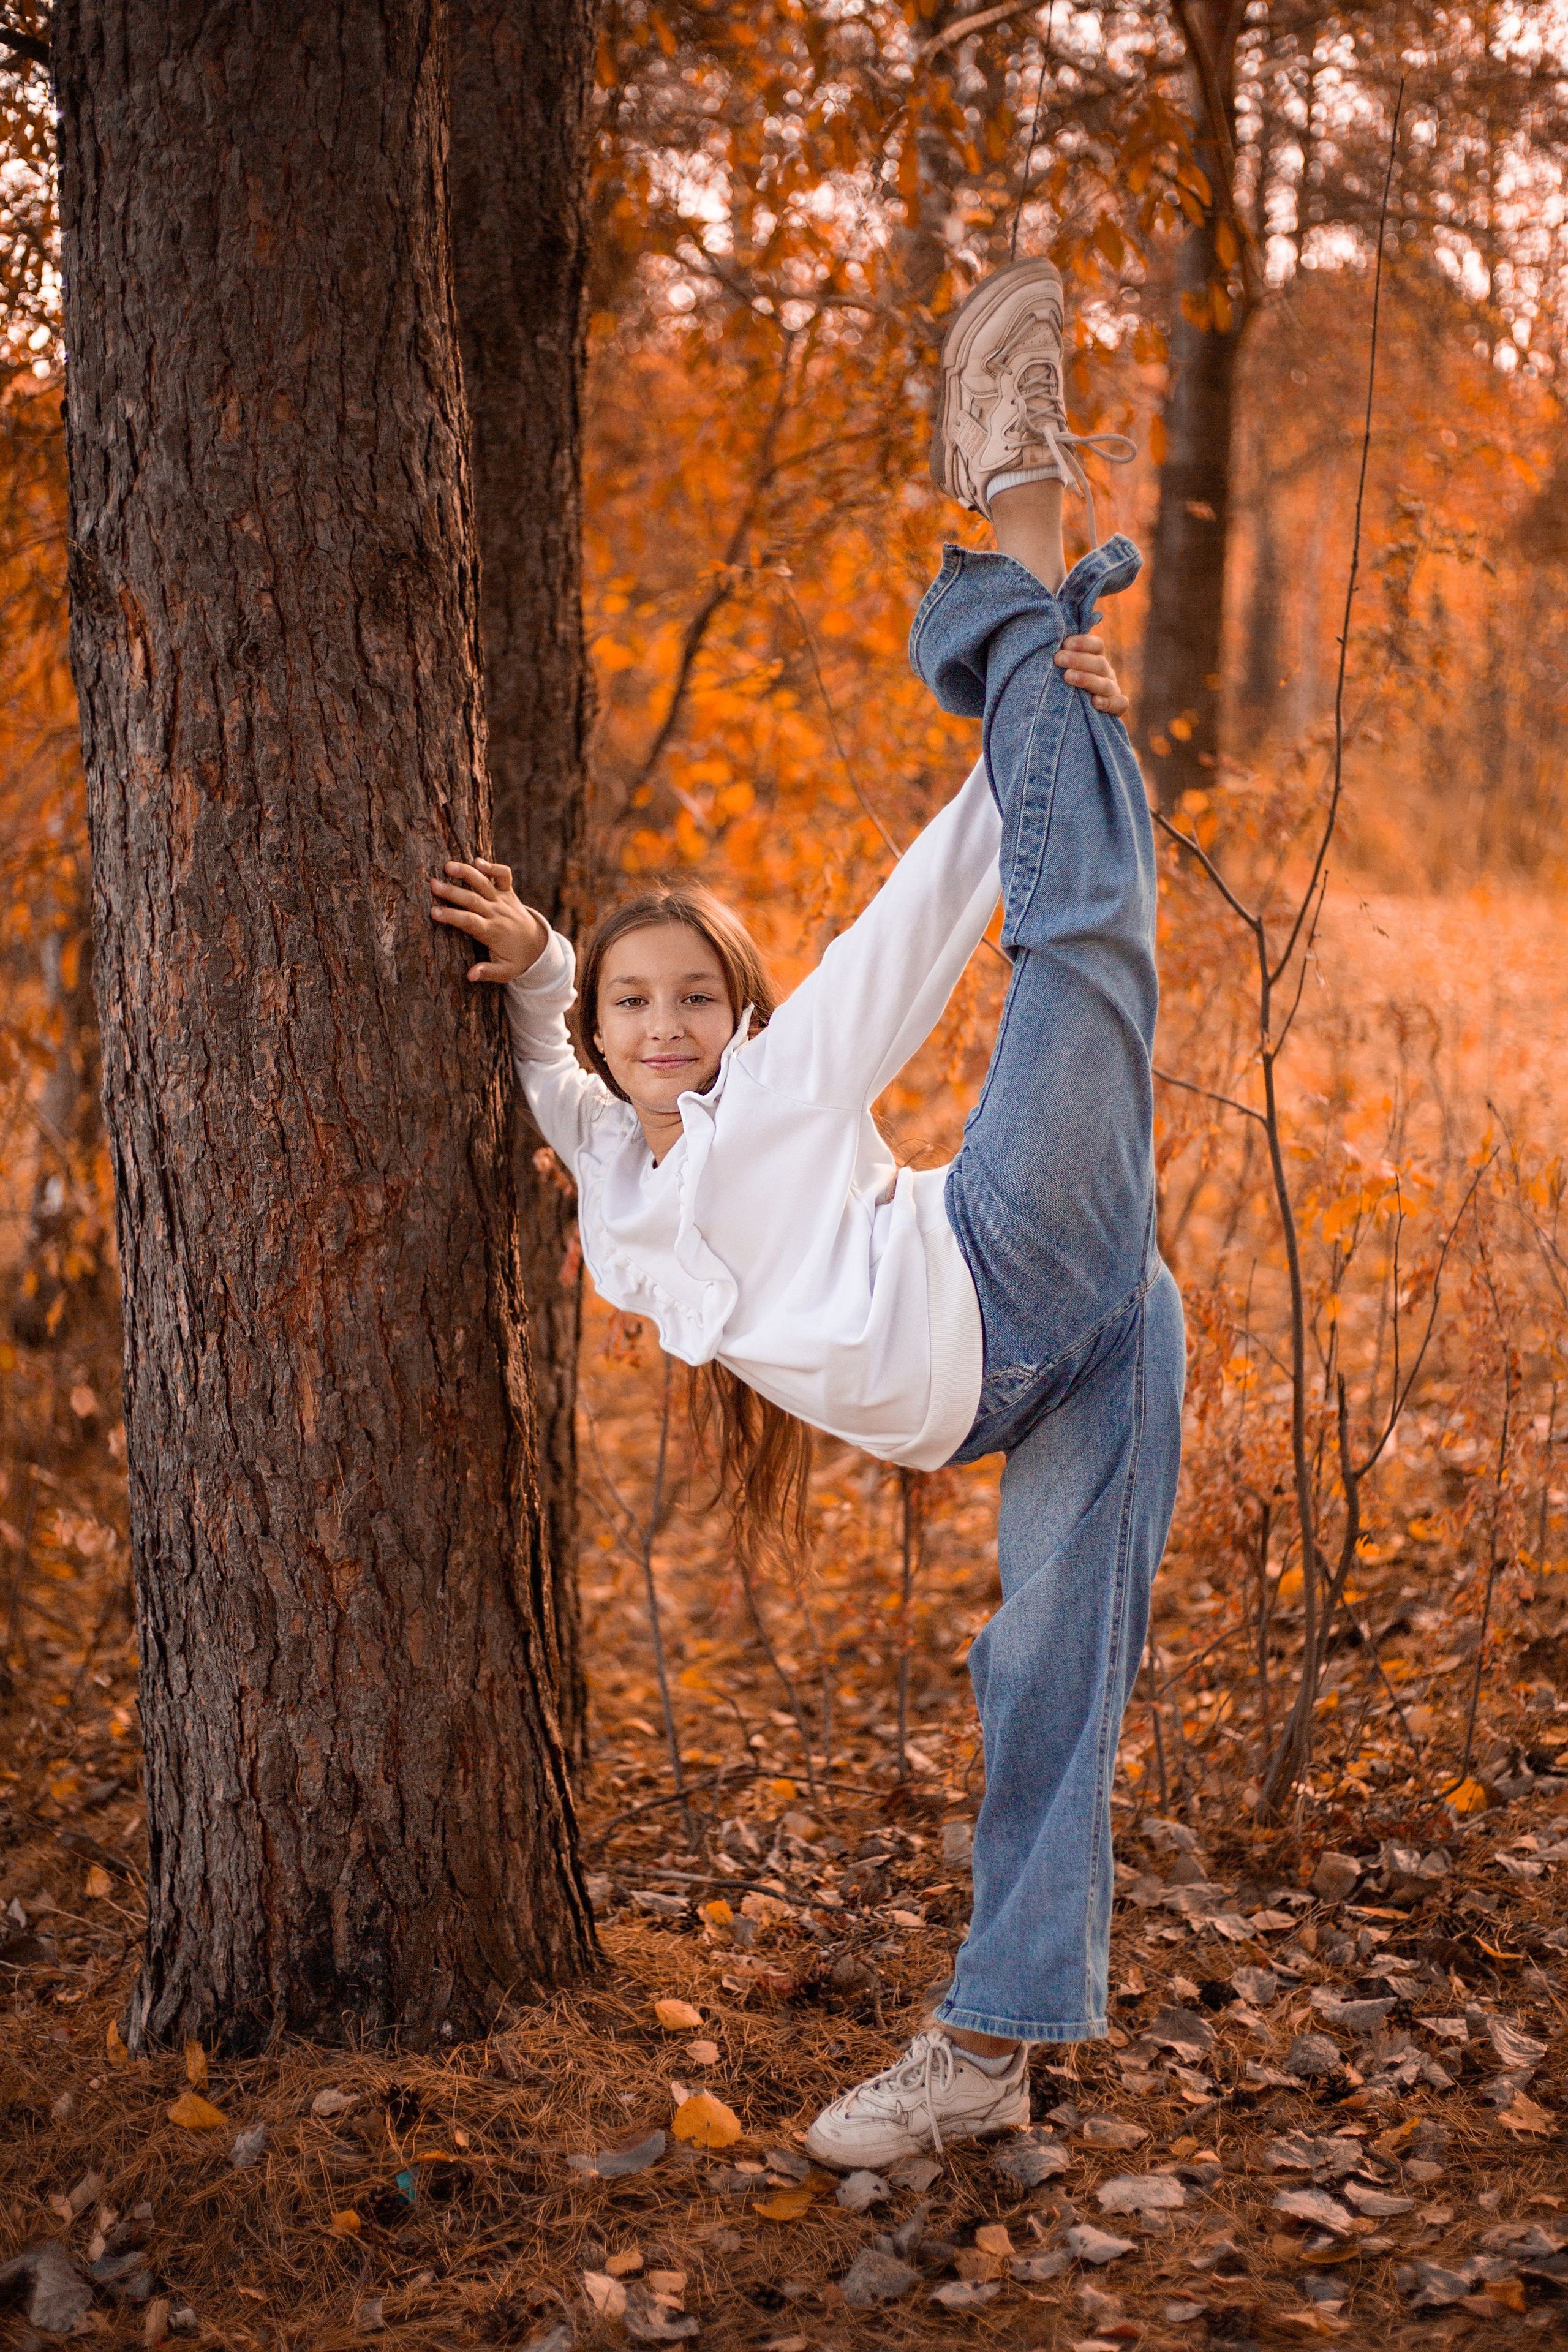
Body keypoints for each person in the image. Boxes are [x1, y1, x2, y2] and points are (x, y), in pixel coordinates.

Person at [430, 257, 1183, 2167]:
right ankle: (993, 2050)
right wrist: (538, 960)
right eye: (637, 1004)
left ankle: (1014, 518)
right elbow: (551, 1067)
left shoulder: (774, 1088)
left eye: (697, 997)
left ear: (736, 1018)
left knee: (1079, 942)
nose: (665, 1027)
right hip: (1050, 1369)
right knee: (1045, 1678)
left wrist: (1044, 739)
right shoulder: (614, 1174)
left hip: (1010, 1263)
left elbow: (916, 933)